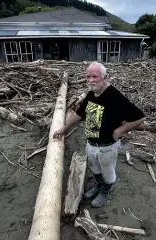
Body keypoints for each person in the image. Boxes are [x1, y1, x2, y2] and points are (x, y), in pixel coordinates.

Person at [53, 62, 146, 208]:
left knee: (108, 171)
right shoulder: (91, 94)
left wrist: (119, 131)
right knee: (94, 168)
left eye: (94, 76)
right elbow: (79, 113)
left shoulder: (115, 97)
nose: (90, 80)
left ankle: (105, 191)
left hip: (107, 146)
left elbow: (139, 117)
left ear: (104, 77)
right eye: (88, 76)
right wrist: (64, 128)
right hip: (91, 143)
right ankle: (98, 185)